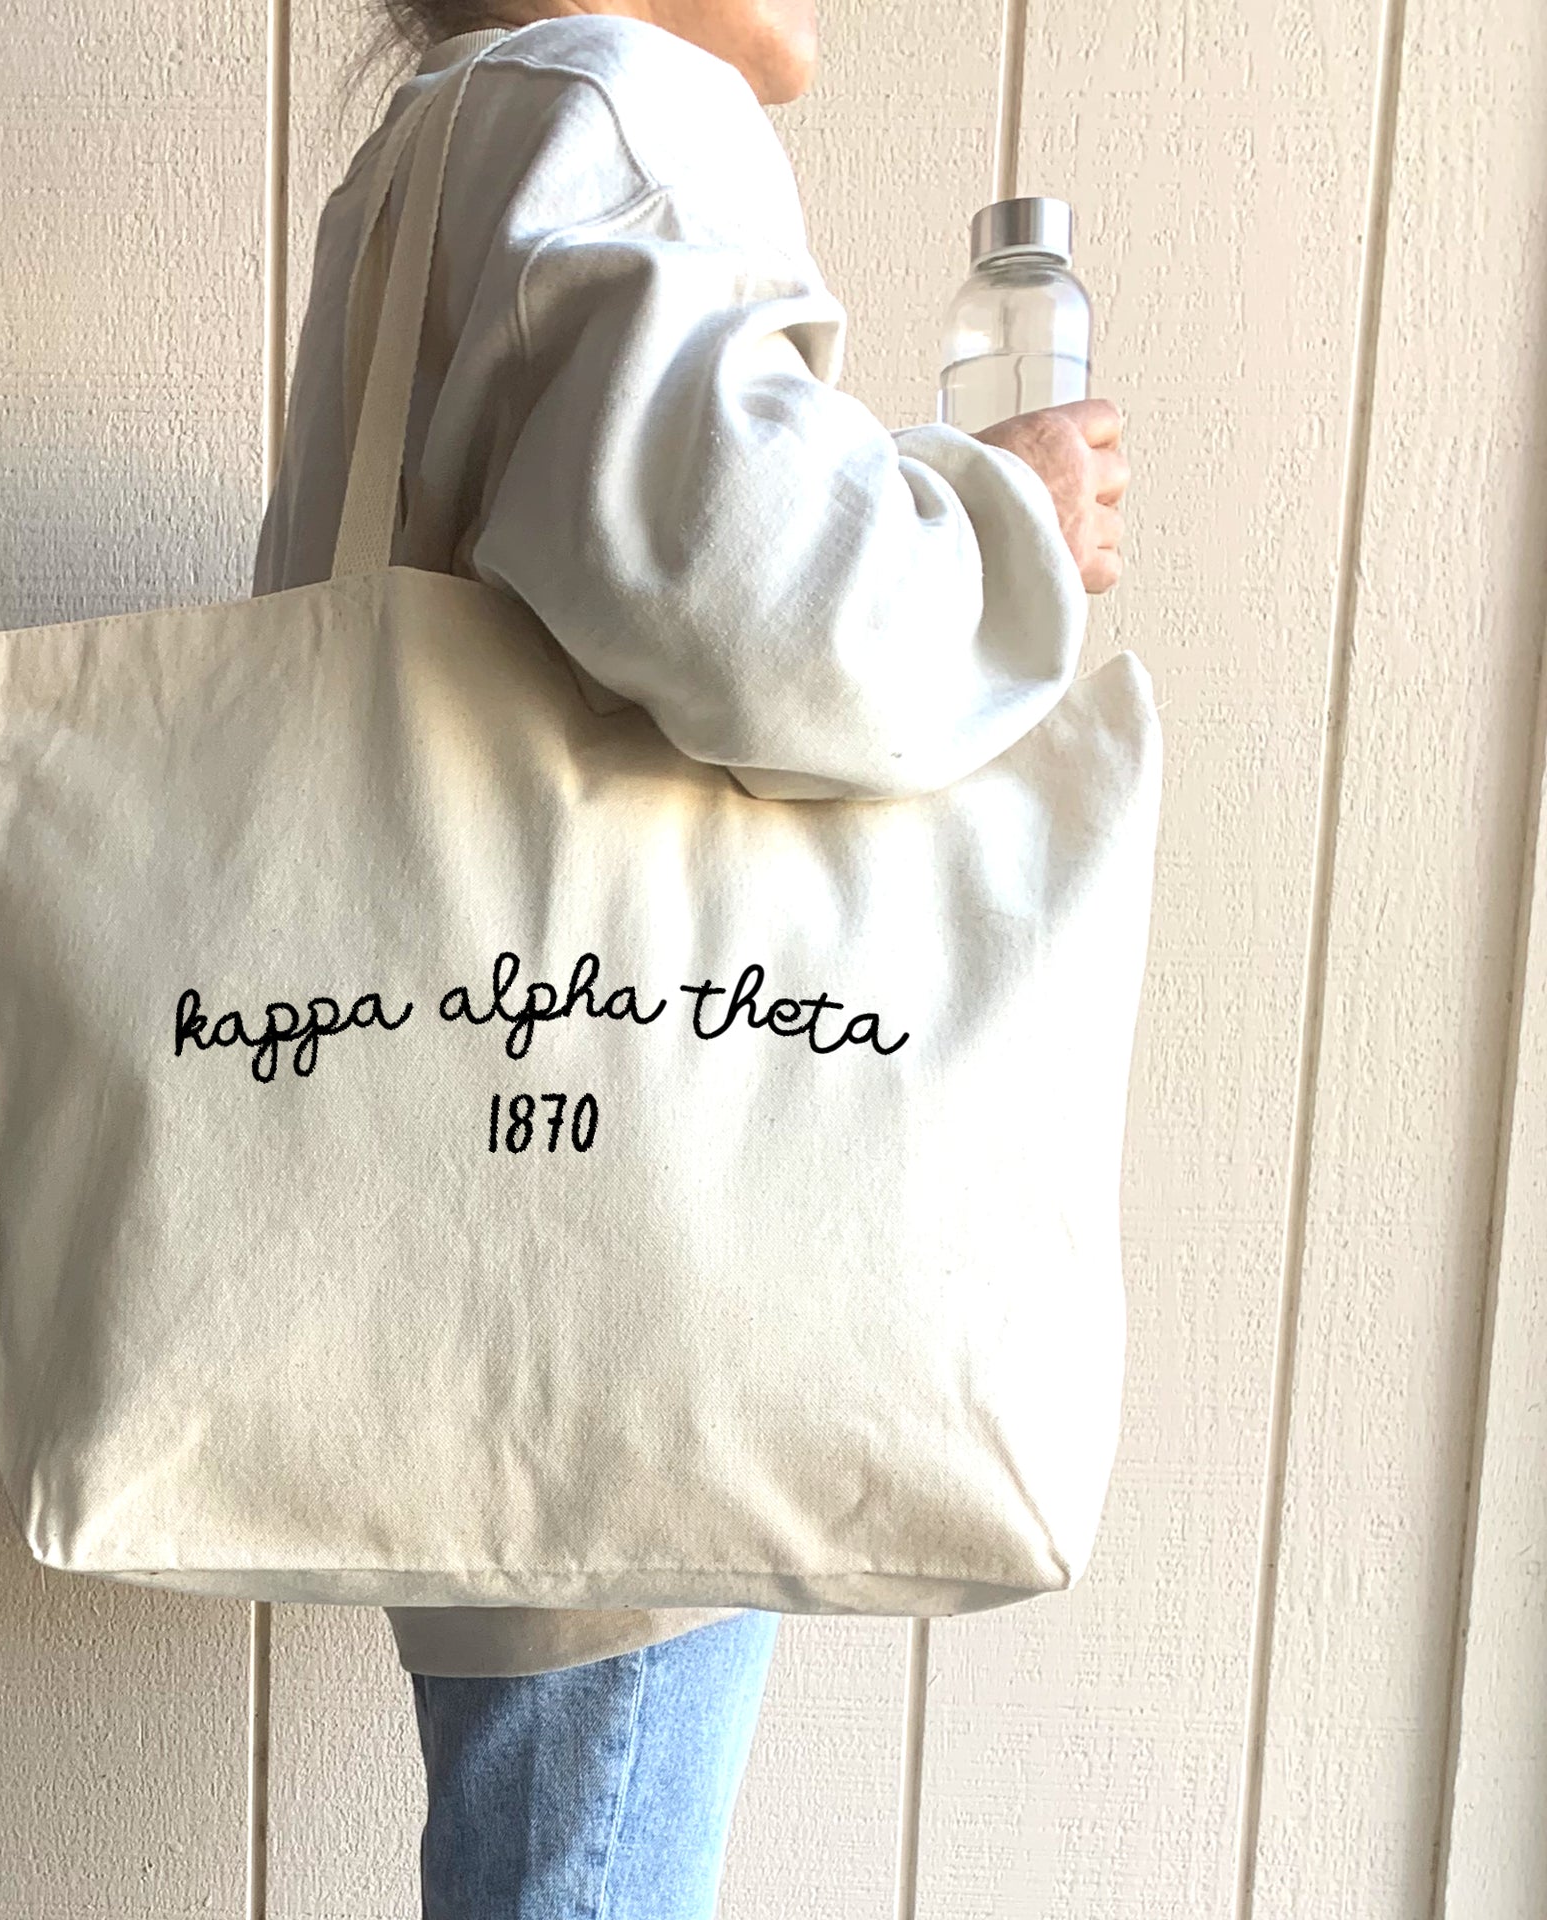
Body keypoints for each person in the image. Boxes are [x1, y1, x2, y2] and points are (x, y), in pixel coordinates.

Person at [253, 3, 1129, 1912]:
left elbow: (623, 545)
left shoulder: (441, 141)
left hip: (480, 1195)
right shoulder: (625, 106)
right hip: (637, 1228)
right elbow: (767, 614)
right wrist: (1012, 525)